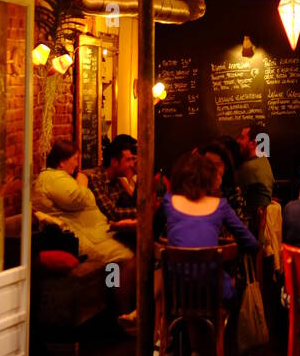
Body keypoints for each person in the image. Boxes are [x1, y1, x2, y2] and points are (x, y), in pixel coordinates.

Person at [31, 139, 135, 315]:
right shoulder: (51, 177)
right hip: (84, 238)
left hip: (94, 233)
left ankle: (115, 303)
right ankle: (121, 313)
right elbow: (77, 198)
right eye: (74, 158)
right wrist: (83, 182)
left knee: (126, 255)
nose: (77, 163)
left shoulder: (61, 177)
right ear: (62, 160)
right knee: (124, 258)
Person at [159, 150, 258, 300]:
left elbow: (152, 234)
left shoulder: (169, 201)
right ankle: (222, 323)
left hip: (175, 292)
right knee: (233, 286)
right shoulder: (220, 205)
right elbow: (251, 243)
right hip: (213, 292)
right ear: (210, 179)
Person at [90, 134, 138, 224]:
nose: (132, 164)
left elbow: (132, 205)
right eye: (128, 160)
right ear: (114, 162)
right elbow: (113, 213)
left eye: (133, 159)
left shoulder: (118, 179)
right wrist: (145, 212)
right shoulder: (97, 179)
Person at [236, 121, 274, 216]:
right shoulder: (262, 160)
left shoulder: (249, 168)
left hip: (248, 224)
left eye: (242, 138)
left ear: (253, 143)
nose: (238, 141)